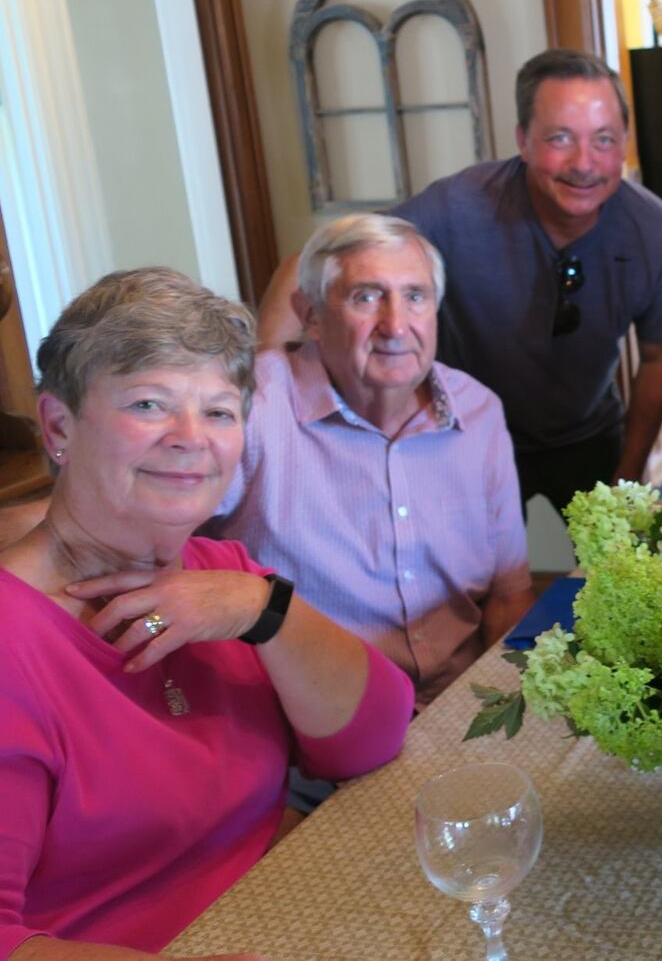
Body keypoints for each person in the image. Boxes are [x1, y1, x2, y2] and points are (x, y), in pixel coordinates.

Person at [0, 268, 412, 959]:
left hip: (287, 917)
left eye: (219, 411)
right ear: (58, 424)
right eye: (149, 404)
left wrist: (265, 608)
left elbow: (371, 740)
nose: (191, 437)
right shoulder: (13, 644)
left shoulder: (225, 577)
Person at [258, 48, 662, 514]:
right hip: (464, 432)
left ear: (625, 143)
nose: (584, 163)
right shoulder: (458, 207)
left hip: (589, 431)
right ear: (523, 141)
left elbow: (658, 359)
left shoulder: (661, 235)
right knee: (475, 582)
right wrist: (267, 405)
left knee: (612, 573)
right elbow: (308, 265)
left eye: (604, 140)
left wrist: (626, 479)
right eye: (561, 138)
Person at [205, 214, 533, 709]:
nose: (396, 326)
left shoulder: (478, 411)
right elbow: (152, 543)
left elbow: (509, 596)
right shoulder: (249, 411)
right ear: (310, 315)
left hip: (458, 708)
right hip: (313, 728)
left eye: (415, 296)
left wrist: (507, 712)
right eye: (366, 297)